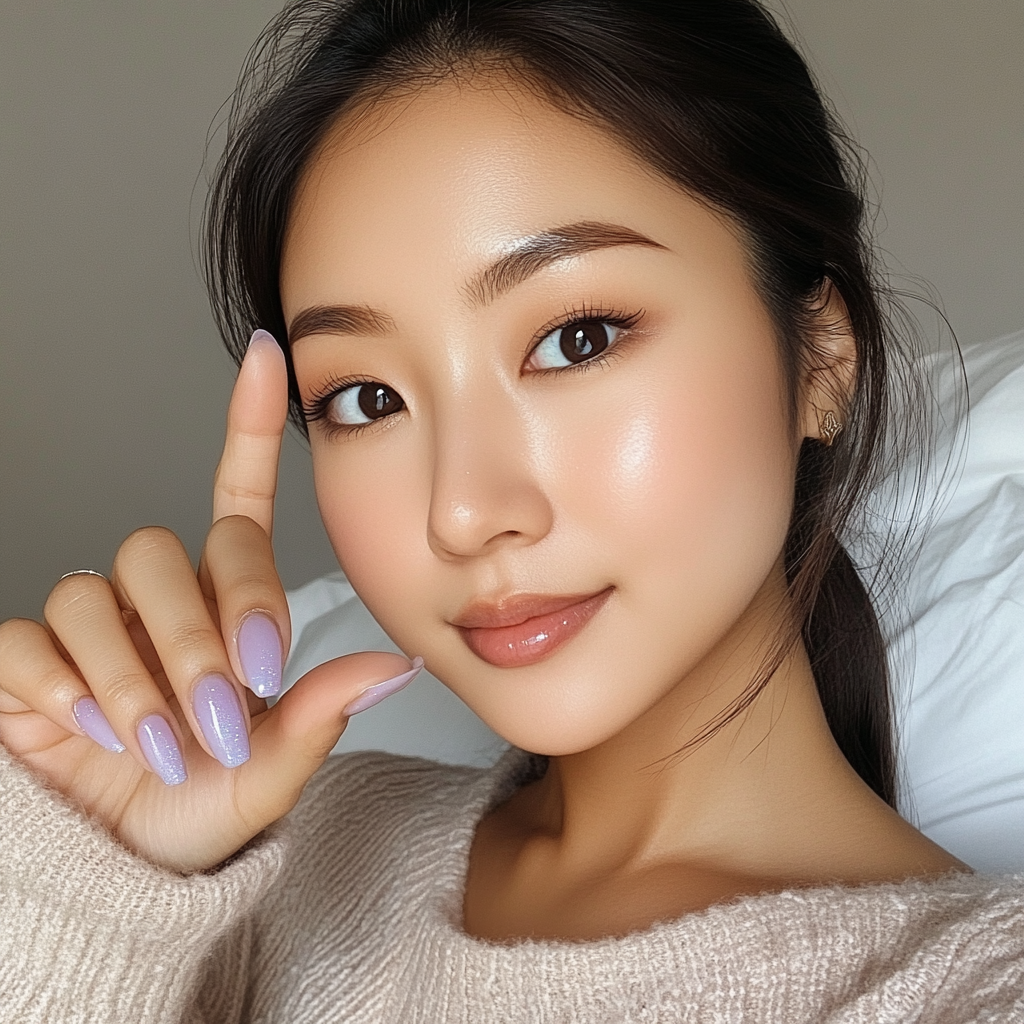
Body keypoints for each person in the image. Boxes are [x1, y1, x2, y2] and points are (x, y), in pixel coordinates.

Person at [1, 0, 1021, 1020]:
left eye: (576, 338)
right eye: (367, 399)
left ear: (821, 357)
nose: (461, 511)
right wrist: (81, 884)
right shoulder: (267, 869)